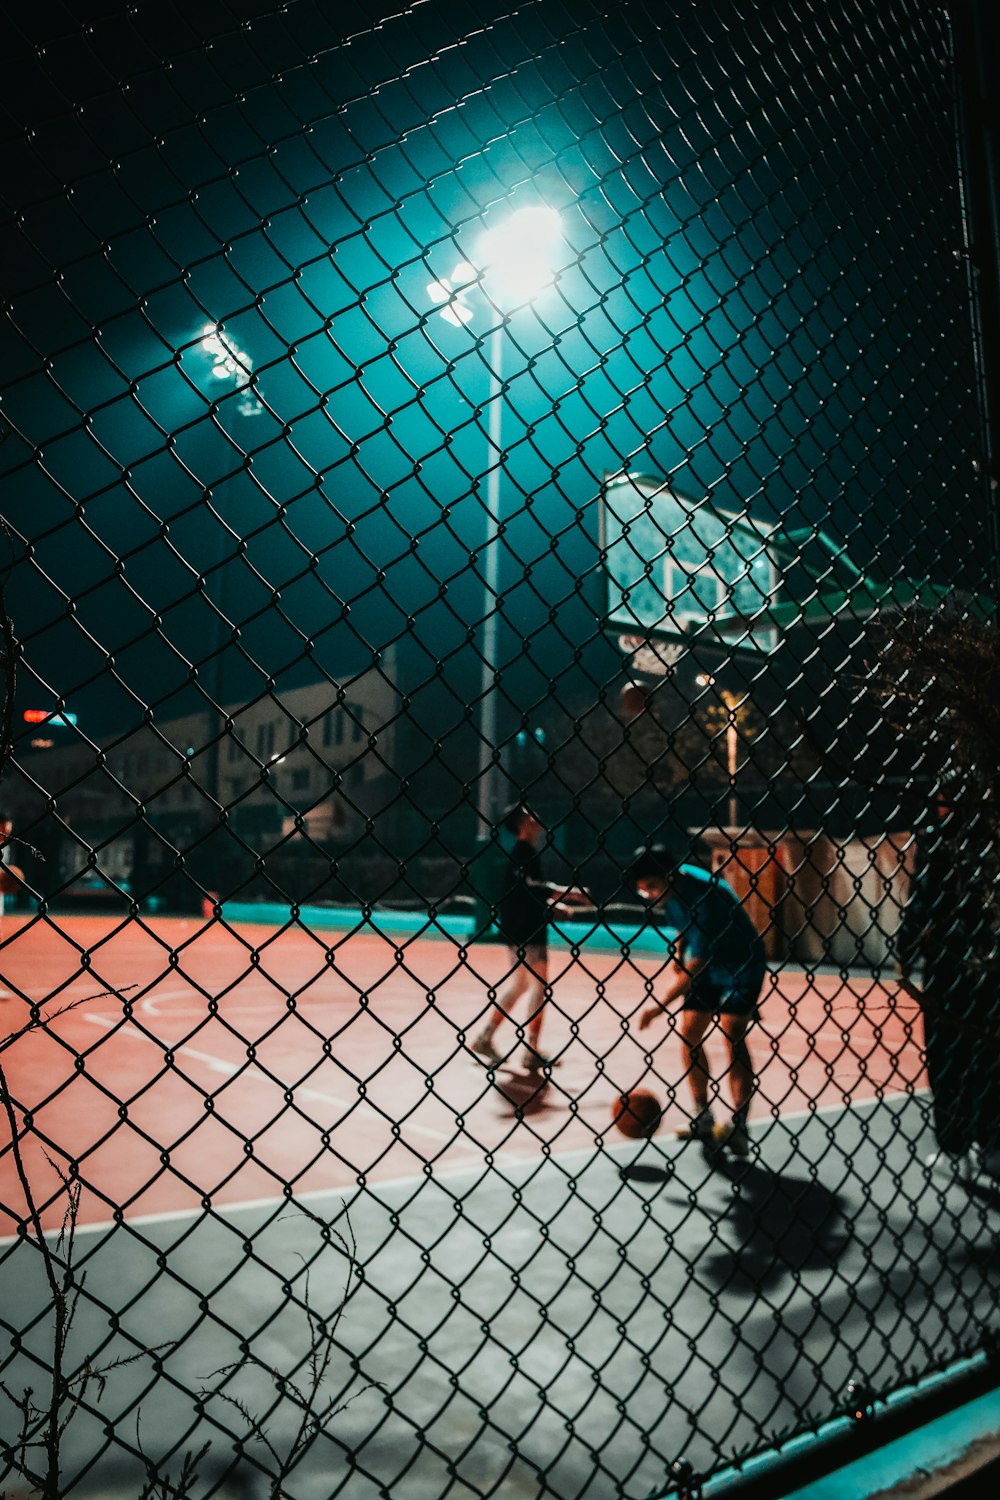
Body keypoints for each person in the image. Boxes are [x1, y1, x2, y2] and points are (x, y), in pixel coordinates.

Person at [627, 843, 767, 1157]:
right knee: (690, 1033)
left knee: (732, 1033)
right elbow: (683, 931)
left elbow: (697, 965)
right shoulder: (671, 895)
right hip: (710, 964)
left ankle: (740, 1126)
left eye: (652, 887)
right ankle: (703, 1116)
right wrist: (677, 952)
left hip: (740, 963)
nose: (650, 895)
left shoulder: (707, 896)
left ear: (670, 877)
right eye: (643, 891)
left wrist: (658, 1007)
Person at [897, 793, 1000, 1184]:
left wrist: (904, 950)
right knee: (984, 1054)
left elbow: (923, 900)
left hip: (947, 963)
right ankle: (985, 1142)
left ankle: (955, 1146)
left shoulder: (937, 839)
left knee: (946, 1055)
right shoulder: (990, 838)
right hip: (988, 965)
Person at [470, 805, 590, 1073]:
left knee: (522, 985)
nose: (536, 818)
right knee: (539, 987)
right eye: (529, 816)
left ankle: (486, 1037)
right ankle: (530, 1050)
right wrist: (566, 893)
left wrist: (551, 904)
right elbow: (529, 888)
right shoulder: (522, 853)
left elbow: (526, 892)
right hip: (527, 932)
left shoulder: (524, 854)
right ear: (522, 825)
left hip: (520, 929)